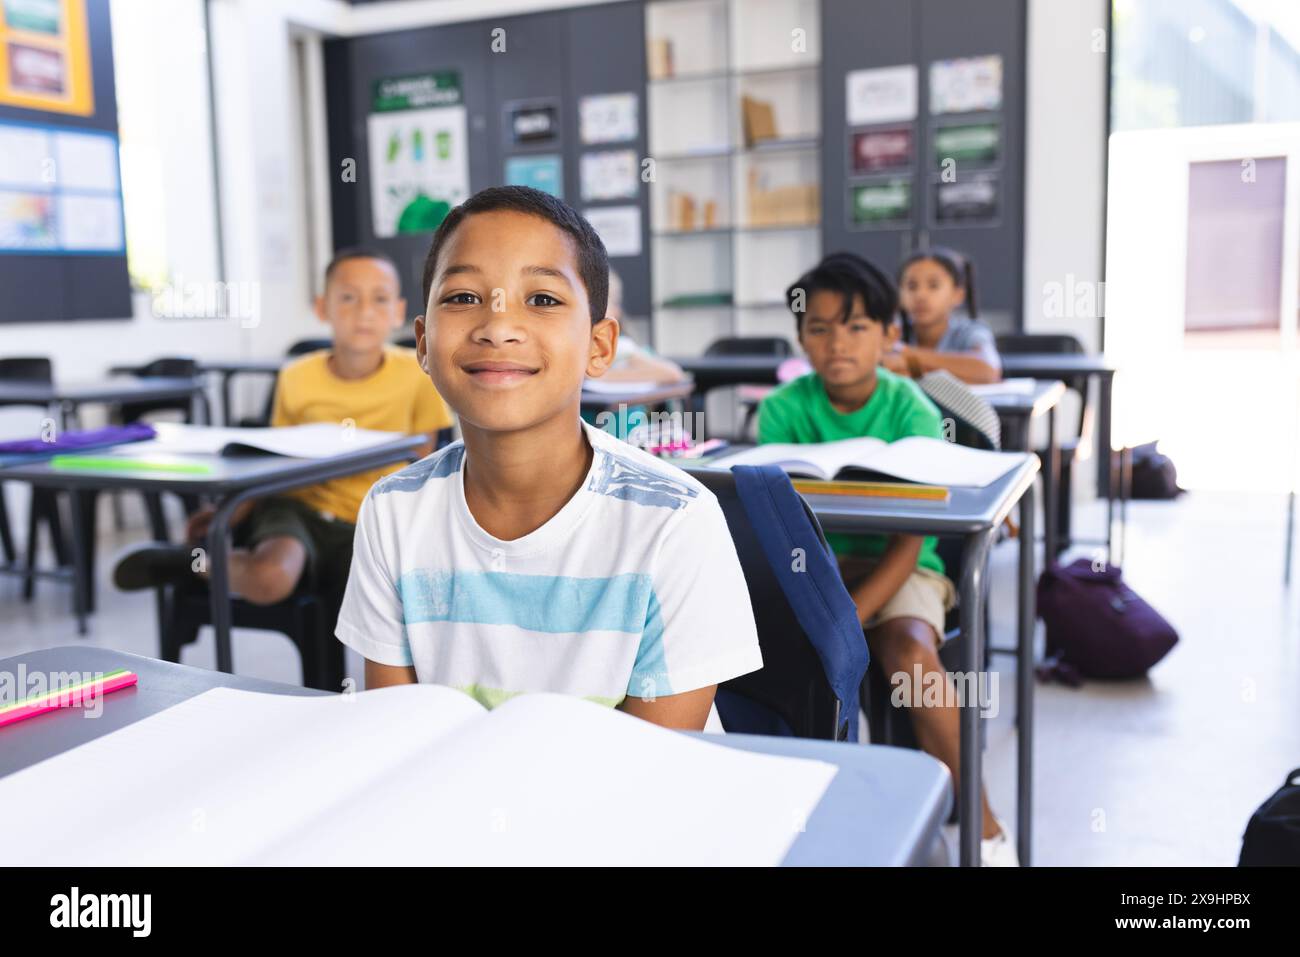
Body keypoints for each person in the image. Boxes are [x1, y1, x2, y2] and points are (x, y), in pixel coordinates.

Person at [337, 185, 763, 732]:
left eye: (541, 300)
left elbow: (652, 769)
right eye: (463, 297)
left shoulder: (675, 523)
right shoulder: (392, 511)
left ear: (600, 345)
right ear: (422, 341)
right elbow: (396, 734)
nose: (498, 327)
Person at [758, 250, 1017, 865]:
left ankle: (984, 830)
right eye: (818, 329)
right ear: (801, 338)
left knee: (909, 657)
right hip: (813, 564)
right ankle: (790, 825)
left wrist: (848, 618)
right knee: (754, 654)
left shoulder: (912, 408)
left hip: (904, 567)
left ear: (889, 335)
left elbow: (911, 537)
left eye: (855, 327)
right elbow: (776, 528)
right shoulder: (781, 408)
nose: (836, 343)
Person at [112, 248, 454, 606]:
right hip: (296, 509)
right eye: (348, 298)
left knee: (383, 596)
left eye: (380, 299)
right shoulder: (296, 376)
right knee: (271, 578)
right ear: (323, 308)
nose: (364, 311)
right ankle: (196, 563)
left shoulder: (418, 374)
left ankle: (201, 566)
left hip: (371, 519)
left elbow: (420, 464)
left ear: (398, 311)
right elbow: (276, 461)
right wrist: (230, 514)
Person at [887, 247, 1002, 384]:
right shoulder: (891, 332)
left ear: (958, 295)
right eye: (912, 286)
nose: (920, 295)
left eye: (933, 286)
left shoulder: (970, 331)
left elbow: (988, 370)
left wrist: (907, 355)